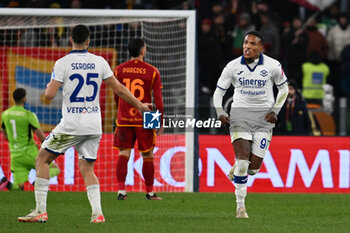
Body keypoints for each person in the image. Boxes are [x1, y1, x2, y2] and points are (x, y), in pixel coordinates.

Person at [17, 25, 150, 223]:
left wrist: (48, 88)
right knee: (88, 169)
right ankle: (98, 214)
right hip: (94, 125)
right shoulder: (99, 62)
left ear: (71, 39)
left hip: (71, 123)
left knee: (42, 160)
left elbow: (50, 95)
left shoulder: (62, 63)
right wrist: (139, 105)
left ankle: (40, 211)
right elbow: (119, 89)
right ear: (88, 41)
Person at [213, 31, 288, 218]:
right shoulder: (232, 66)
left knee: (253, 168)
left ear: (260, 47)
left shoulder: (273, 65)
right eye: (245, 42)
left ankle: (237, 170)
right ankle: (240, 208)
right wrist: (220, 111)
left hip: (264, 119)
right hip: (240, 115)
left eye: (252, 44)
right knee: (242, 159)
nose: (247, 46)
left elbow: (284, 88)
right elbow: (218, 92)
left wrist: (275, 111)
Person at [113, 38, 164, 201]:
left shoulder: (119, 70)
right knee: (148, 154)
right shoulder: (153, 71)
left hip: (124, 117)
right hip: (146, 117)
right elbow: (158, 100)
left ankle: (121, 192)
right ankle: (149, 193)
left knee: (124, 153)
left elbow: (116, 95)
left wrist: (121, 109)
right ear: (143, 51)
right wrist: (160, 120)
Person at [0, 88, 60, 191]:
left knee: (18, 187)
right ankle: (38, 180)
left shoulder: (5, 114)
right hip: (30, 152)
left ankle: (6, 183)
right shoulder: (29, 115)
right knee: (55, 169)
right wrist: (48, 148)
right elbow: (40, 135)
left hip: (15, 155)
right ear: (24, 98)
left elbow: (5, 134)